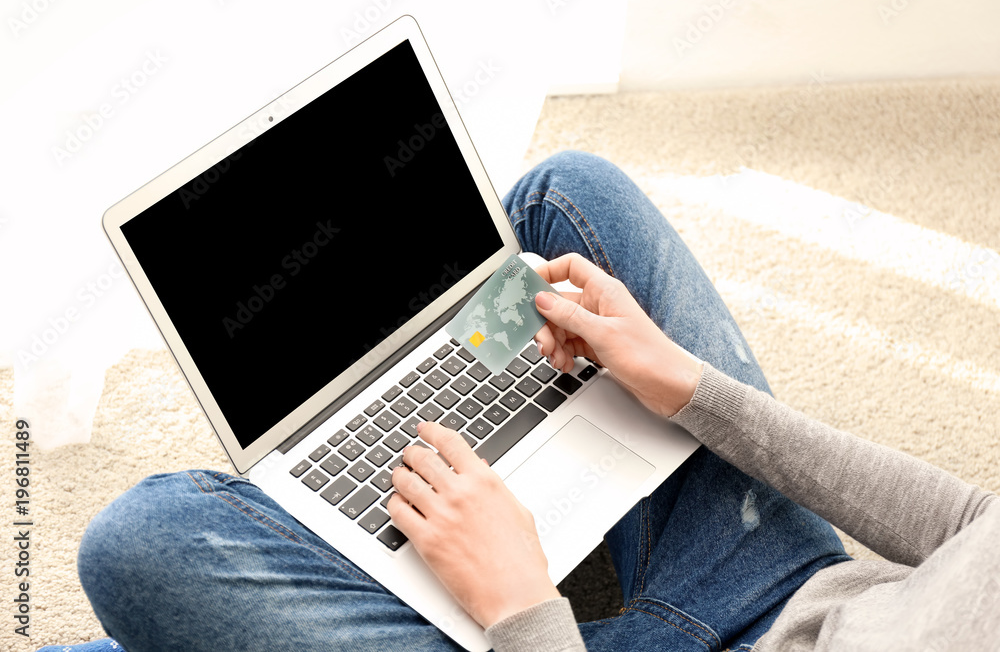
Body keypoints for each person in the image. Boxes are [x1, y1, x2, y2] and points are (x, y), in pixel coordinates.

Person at [54, 152, 997, 652]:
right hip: (779, 576)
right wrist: (689, 387)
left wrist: (521, 607)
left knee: (143, 545)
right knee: (569, 201)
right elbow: (967, 523)